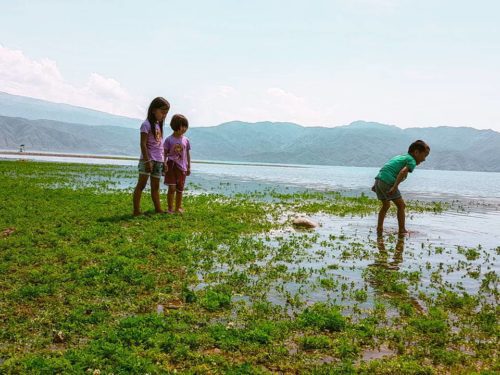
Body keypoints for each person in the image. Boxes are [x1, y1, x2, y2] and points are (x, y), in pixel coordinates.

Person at [372, 140, 430, 235]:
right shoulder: (411, 160)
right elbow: (403, 172)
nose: (424, 159)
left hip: (379, 180)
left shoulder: (400, 157)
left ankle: (379, 228)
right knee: (401, 205)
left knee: (386, 205)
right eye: (424, 156)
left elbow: (385, 167)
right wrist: (395, 187)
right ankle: (402, 230)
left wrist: (376, 184)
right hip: (388, 182)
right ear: (416, 152)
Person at [132, 97, 170, 216]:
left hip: (158, 160)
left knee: (155, 187)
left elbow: (159, 146)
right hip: (148, 160)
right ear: (154, 110)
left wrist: (164, 162)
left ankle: (158, 209)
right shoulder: (146, 124)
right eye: (162, 112)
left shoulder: (158, 125)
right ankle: (136, 210)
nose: (164, 115)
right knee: (141, 185)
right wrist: (147, 160)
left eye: (166, 113)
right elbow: (143, 144)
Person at [164, 114, 191, 213]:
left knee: (180, 189)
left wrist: (189, 167)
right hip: (171, 166)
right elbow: (164, 153)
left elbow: (187, 154)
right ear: (175, 126)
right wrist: (164, 164)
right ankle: (170, 208)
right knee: (172, 188)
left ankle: (178, 207)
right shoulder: (169, 140)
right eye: (182, 126)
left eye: (185, 126)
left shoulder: (186, 140)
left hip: (182, 167)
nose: (184, 128)